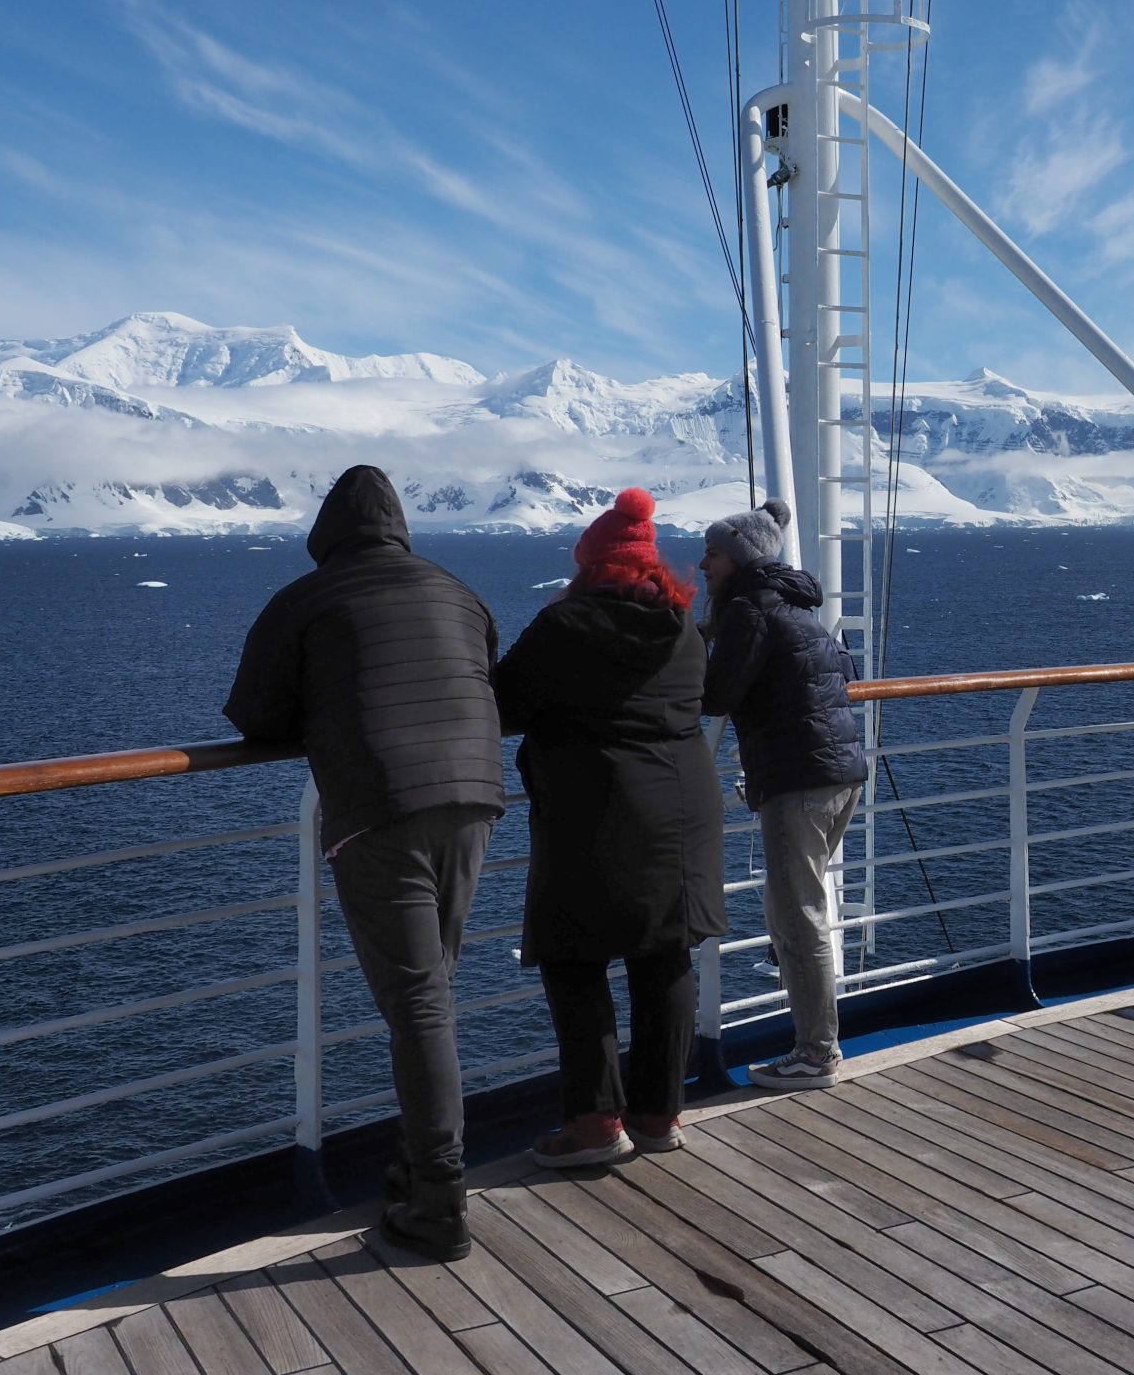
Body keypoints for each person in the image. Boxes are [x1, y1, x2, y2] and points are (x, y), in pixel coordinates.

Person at [223, 465, 504, 1263]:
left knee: (419, 1006)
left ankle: (439, 1201)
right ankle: (416, 1168)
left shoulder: (305, 600)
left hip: (382, 803)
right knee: (430, 993)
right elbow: (485, 675)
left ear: (327, 533)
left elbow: (254, 716)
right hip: (475, 794)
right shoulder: (458, 590)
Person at [496, 487, 726, 1167]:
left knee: (574, 957)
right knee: (665, 954)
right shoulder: (684, 629)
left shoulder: (565, 624)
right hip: (681, 806)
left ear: (592, 563)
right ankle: (659, 1115)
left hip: (590, 808)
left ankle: (596, 1123)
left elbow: (503, 700)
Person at [699, 496, 865, 1090]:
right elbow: (840, 676)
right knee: (798, 907)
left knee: (799, 917)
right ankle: (815, 1045)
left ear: (741, 559)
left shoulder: (750, 609)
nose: (704, 564)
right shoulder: (794, 604)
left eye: (713, 554)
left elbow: (716, 695)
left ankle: (816, 1054)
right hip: (836, 771)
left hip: (798, 779)